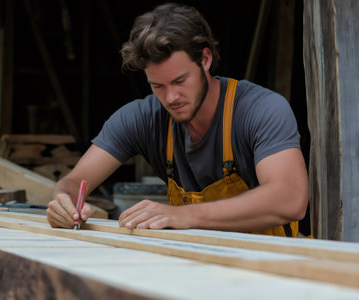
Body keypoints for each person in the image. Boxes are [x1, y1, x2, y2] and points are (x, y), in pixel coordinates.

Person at [46, 3, 308, 237]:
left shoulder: (261, 109)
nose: (171, 97)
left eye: (179, 81)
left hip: (272, 271)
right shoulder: (141, 118)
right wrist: (63, 202)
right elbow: (73, 182)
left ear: (205, 59)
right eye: (157, 85)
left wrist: (185, 215)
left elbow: (290, 199)